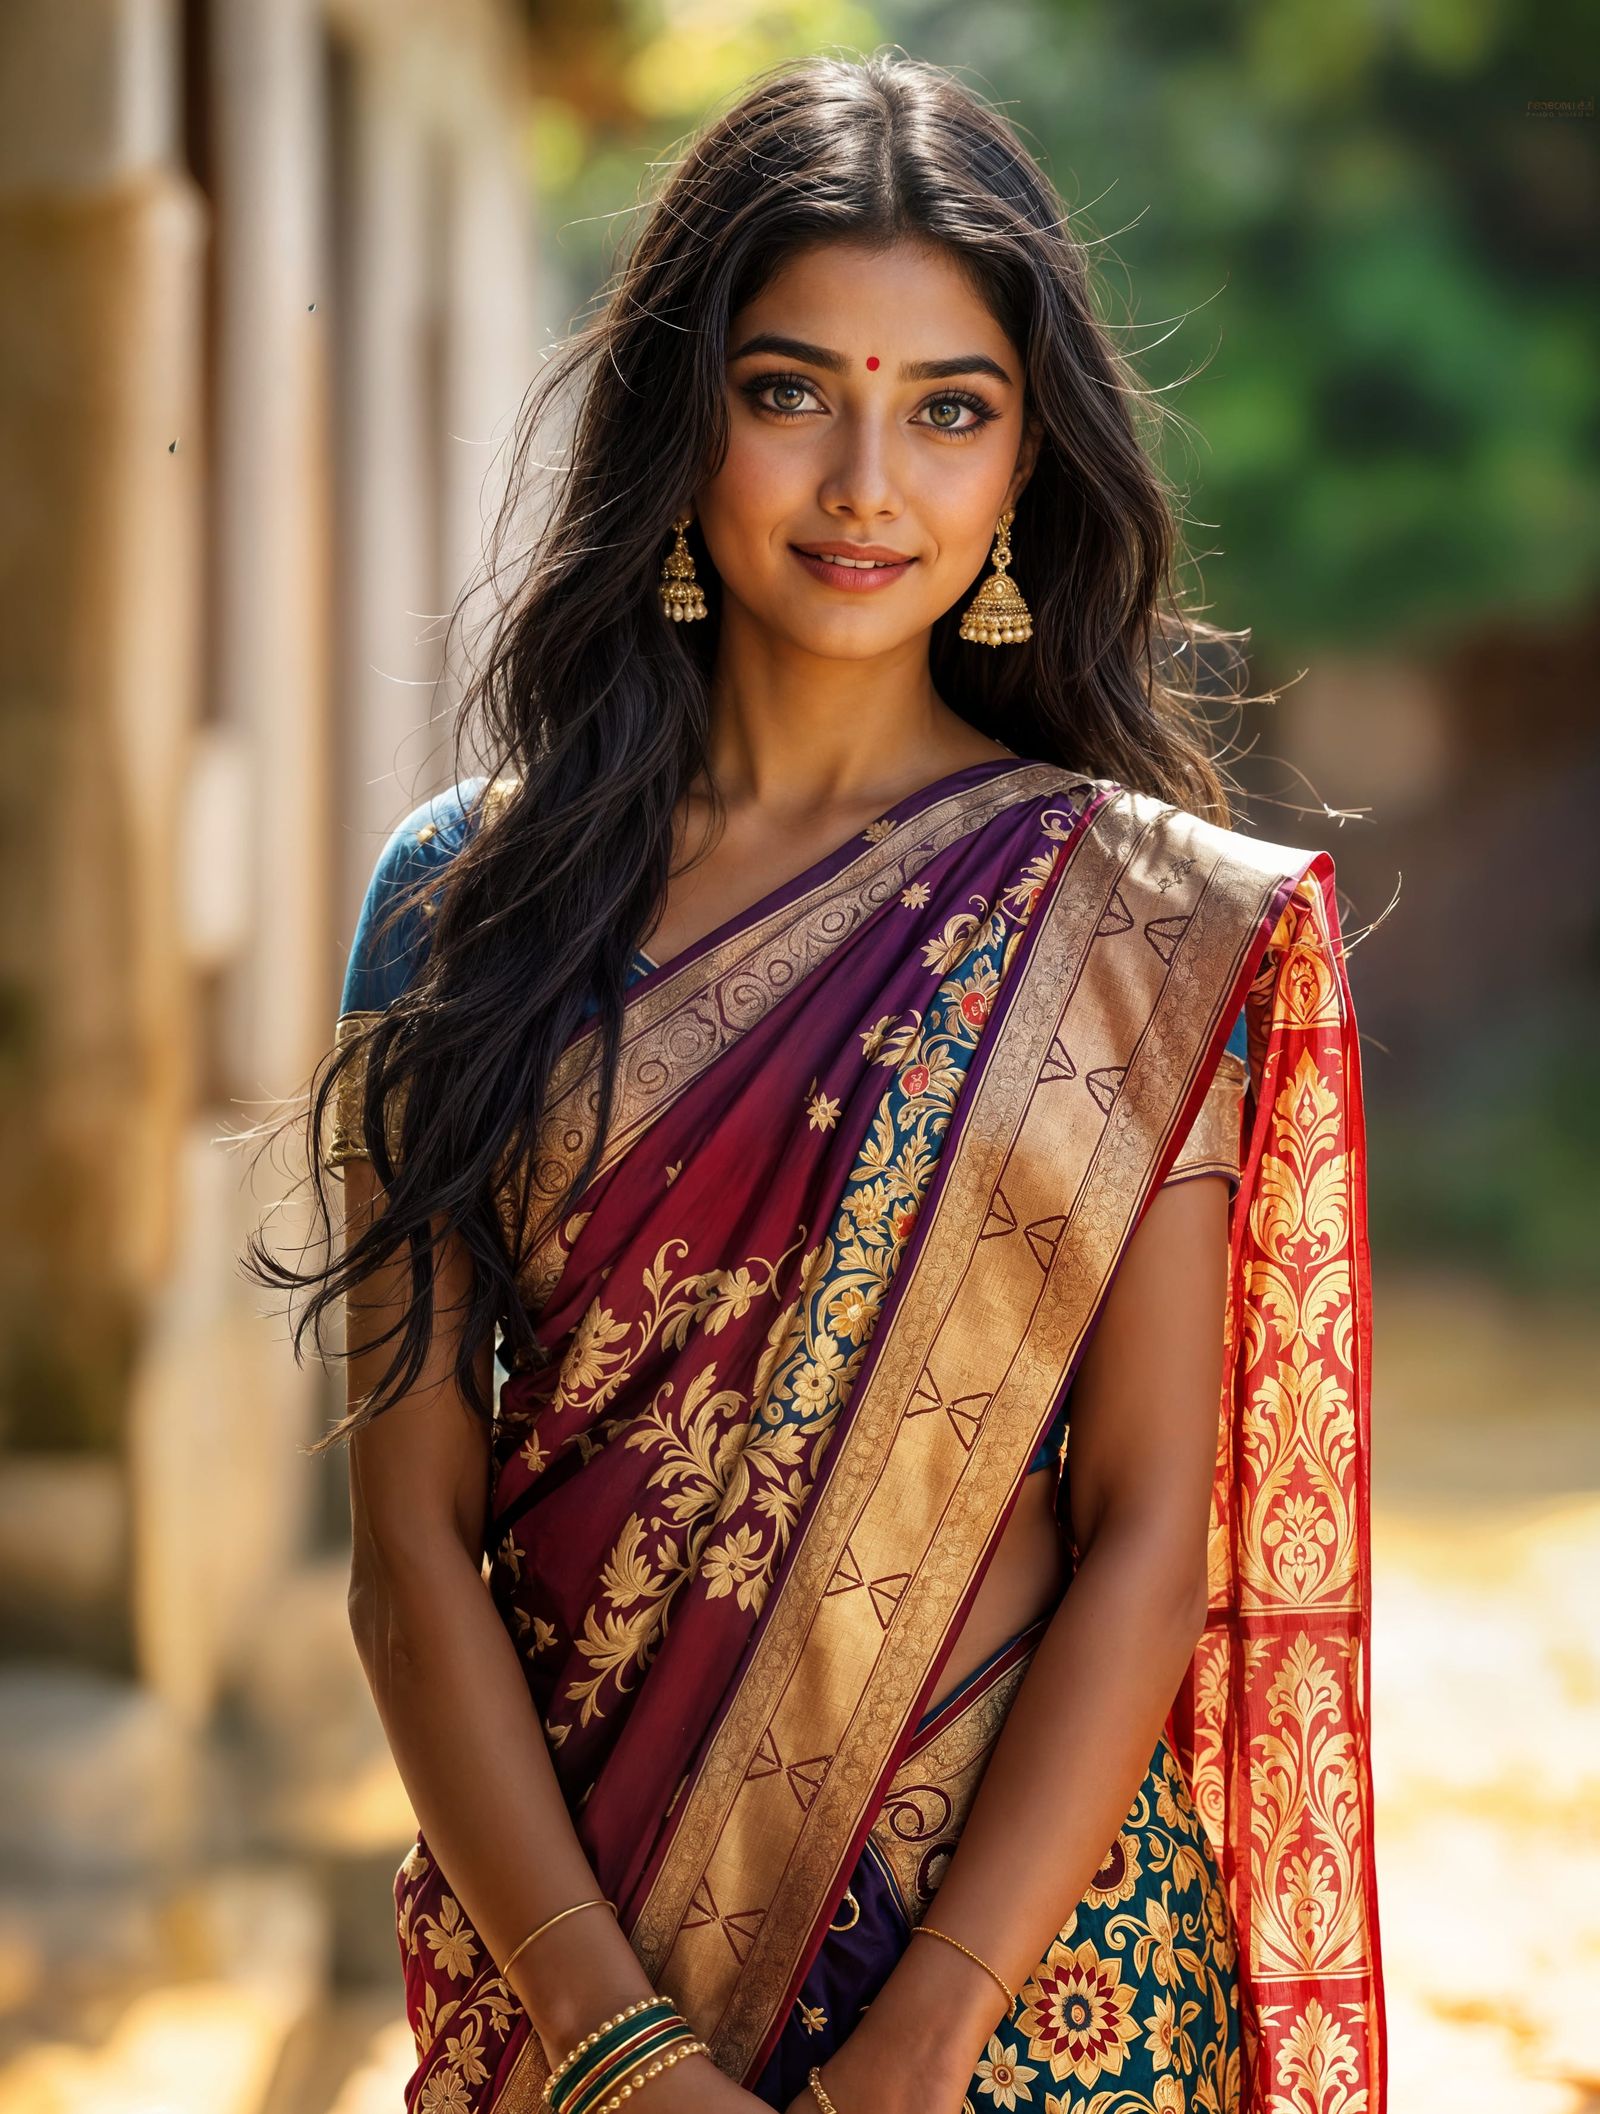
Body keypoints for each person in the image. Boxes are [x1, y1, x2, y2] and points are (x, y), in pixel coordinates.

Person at [253, 51, 1385, 2114]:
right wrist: (617, 2054)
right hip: (573, 1956)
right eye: (791, 391)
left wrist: (921, 2040)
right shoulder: (464, 905)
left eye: (946, 409)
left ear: (1029, 461)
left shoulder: (1126, 925)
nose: (868, 483)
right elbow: (405, 1545)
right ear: (684, 426)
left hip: (1018, 2004)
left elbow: (1146, 1525)